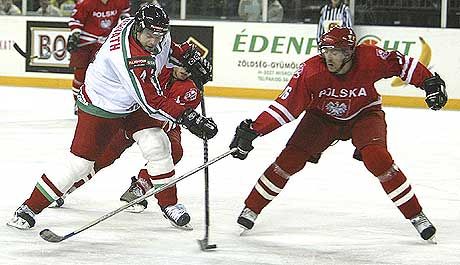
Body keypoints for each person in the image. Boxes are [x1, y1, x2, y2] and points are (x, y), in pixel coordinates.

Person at [7, 4, 217, 230]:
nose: (154, 41)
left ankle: (170, 205)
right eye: (150, 35)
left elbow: (168, 49)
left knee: (158, 143)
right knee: (80, 164)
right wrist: (189, 118)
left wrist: (186, 55)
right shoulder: (129, 57)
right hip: (102, 107)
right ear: (138, 29)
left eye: (159, 35)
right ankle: (29, 207)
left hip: (131, 100)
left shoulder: (150, 31)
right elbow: (152, 101)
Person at [230, 27, 447, 242]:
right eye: (325, 50)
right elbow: (287, 107)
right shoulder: (311, 71)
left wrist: (429, 82)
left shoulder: (370, 59)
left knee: (378, 158)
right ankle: (251, 208)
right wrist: (254, 130)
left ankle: (416, 215)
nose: (328, 56)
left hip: (364, 114)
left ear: (349, 52)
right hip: (321, 118)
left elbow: (402, 64)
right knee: (289, 160)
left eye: (334, 51)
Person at [50, 65, 204, 227]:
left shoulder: (190, 91)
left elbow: (172, 114)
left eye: (190, 70)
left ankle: (141, 186)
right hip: (130, 117)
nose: (186, 71)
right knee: (100, 158)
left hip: (162, 124)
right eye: (183, 66)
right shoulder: (157, 66)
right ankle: (65, 189)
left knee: (173, 151)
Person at [67, 0, 130, 114]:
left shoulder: (120, 1)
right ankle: (78, 103)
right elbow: (75, 20)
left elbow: (125, 16)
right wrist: (75, 34)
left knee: (105, 75)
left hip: (105, 46)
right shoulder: (86, 3)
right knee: (80, 75)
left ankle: (102, 103)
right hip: (85, 44)